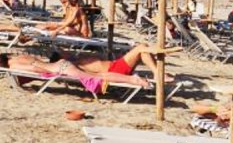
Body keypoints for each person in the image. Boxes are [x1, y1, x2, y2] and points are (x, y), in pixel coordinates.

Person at [0, 53, 150, 88]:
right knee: (98, 75)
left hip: (61, 68)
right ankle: (133, 79)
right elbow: (35, 62)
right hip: (61, 65)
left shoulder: (13, 65)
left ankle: (133, 80)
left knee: (98, 77)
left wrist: (49, 73)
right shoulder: (17, 56)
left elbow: (34, 68)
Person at [58, 43, 175, 82]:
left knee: (143, 51)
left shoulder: (78, 59)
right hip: (115, 70)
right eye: (64, 53)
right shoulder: (75, 65)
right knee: (141, 47)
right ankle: (158, 67)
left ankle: (158, 72)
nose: (67, 52)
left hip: (116, 65)